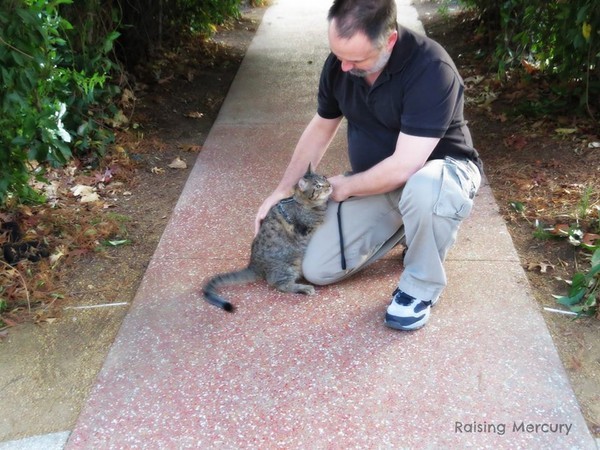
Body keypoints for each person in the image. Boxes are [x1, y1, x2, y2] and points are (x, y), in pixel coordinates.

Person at [254, 0, 483, 331]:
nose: (344, 67)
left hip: (440, 175)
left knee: (423, 189)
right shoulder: (340, 65)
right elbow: (321, 128)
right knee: (312, 266)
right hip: (380, 184)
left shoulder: (432, 69)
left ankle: (420, 286)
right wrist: (283, 192)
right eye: (339, 55)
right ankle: (415, 226)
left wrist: (344, 187)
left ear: (388, 40)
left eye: (356, 59)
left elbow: (406, 166)